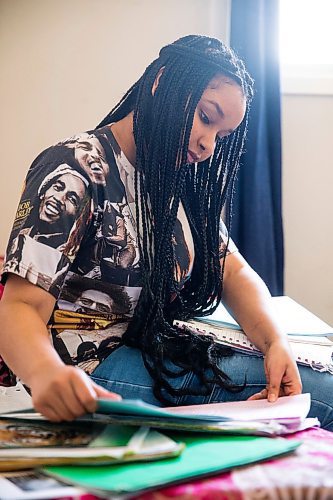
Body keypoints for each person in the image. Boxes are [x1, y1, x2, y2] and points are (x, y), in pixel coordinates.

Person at [0, 35, 332, 428]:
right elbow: (18, 307)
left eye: (221, 137)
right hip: (86, 366)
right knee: (325, 393)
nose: (208, 145)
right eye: (207, 118)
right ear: (161, 83)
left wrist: (275, 342)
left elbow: (234, 269)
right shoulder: (75, 169)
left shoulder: (175, 179)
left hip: (148, 346)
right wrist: (45, 375)